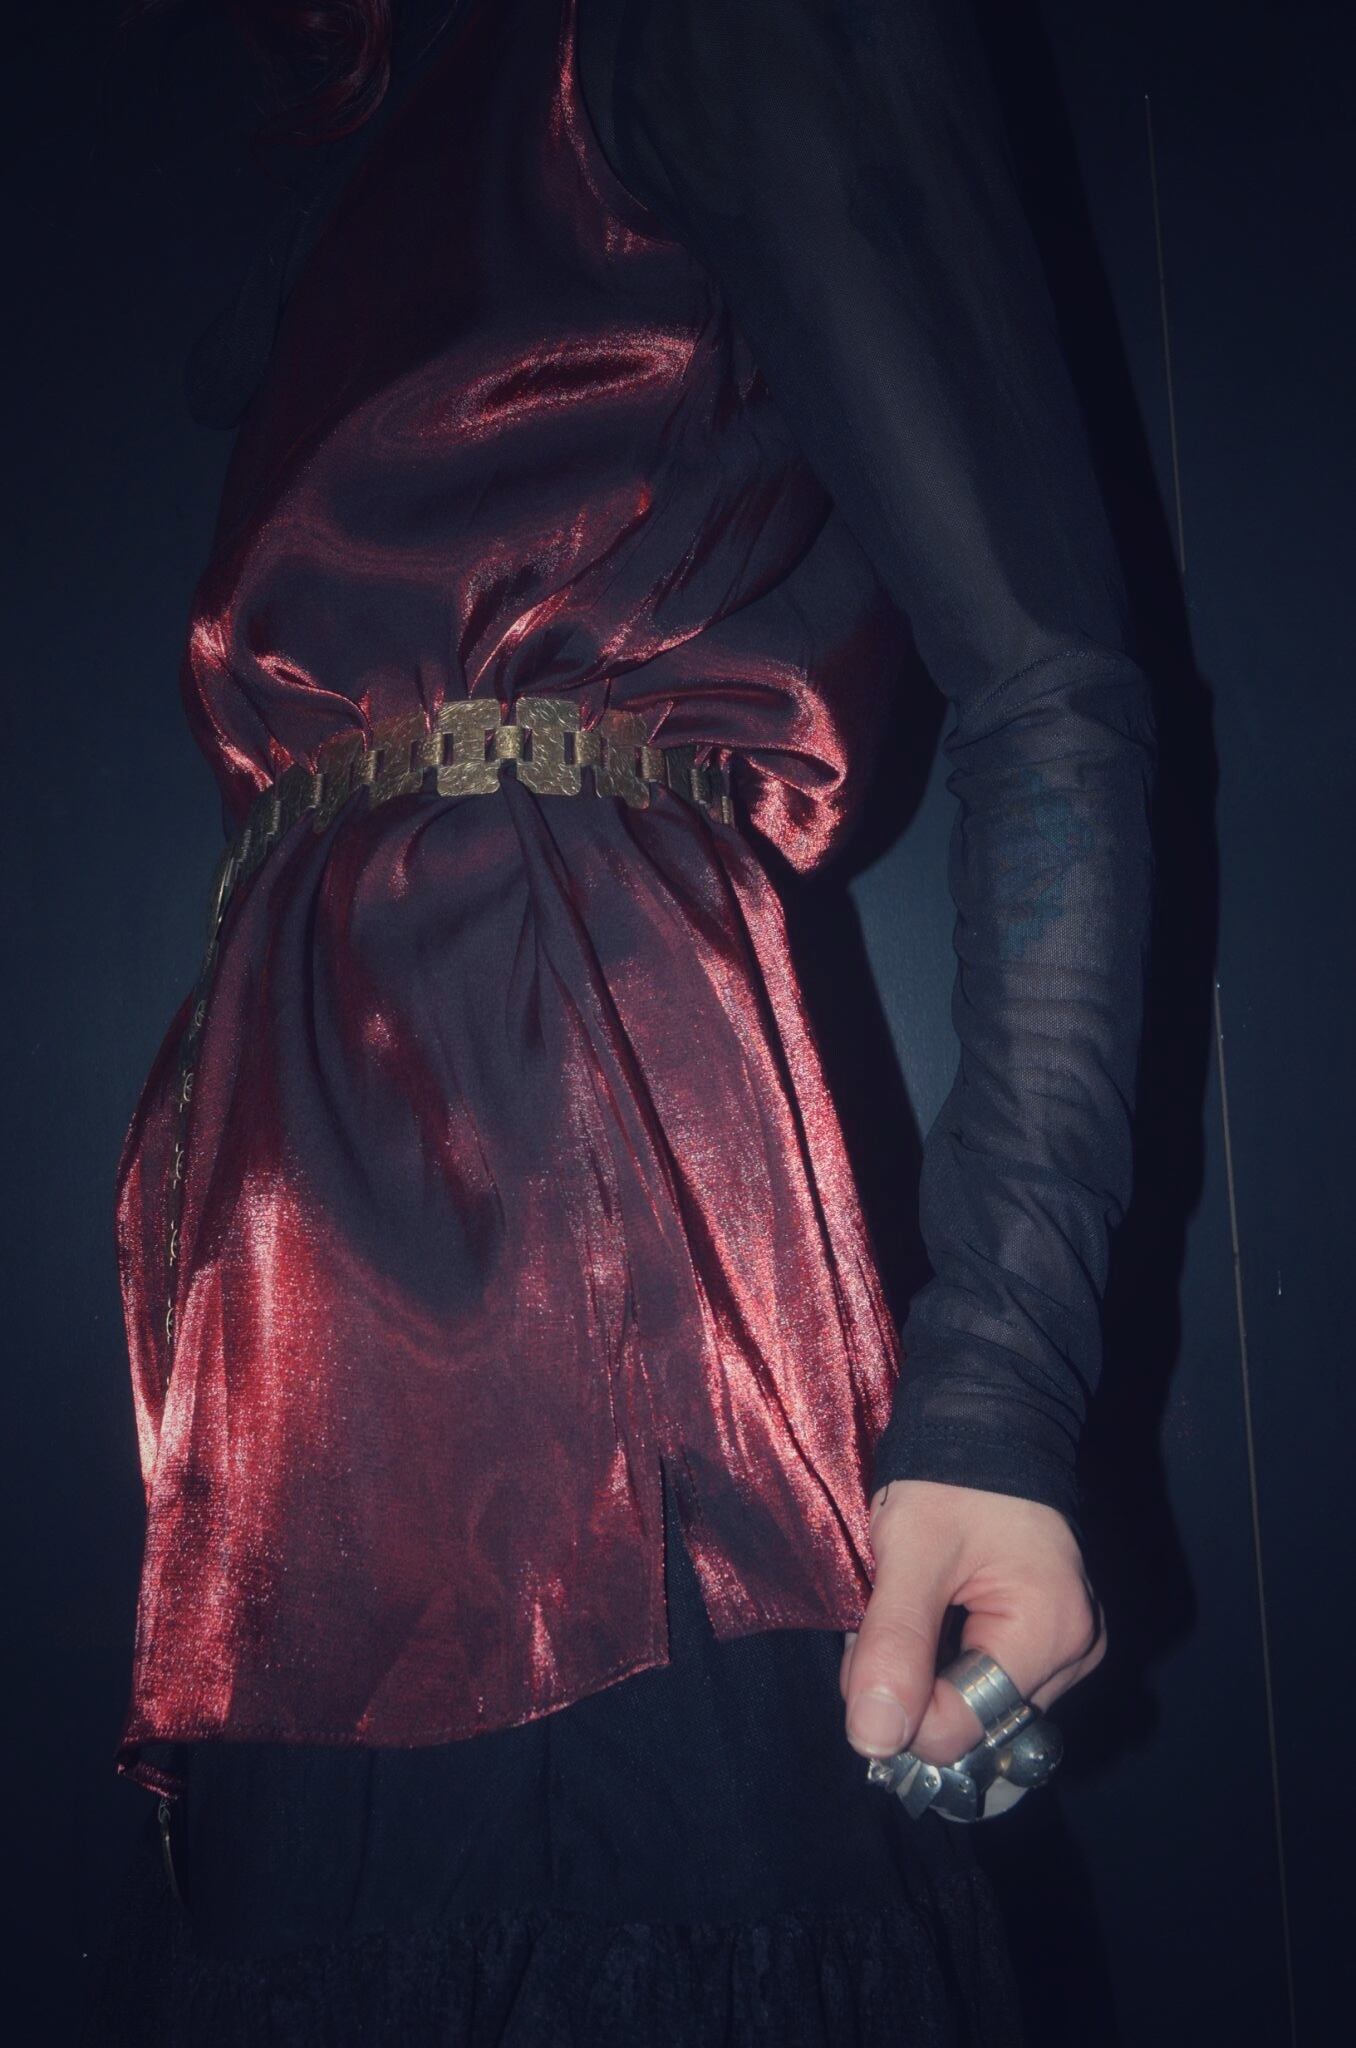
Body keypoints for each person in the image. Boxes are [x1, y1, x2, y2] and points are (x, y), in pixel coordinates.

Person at [85, 0, 1156, 2039]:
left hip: (599, 1199)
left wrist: (1004, 1384)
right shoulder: (351, 149)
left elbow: (1054, 695)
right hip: (284, 1283)